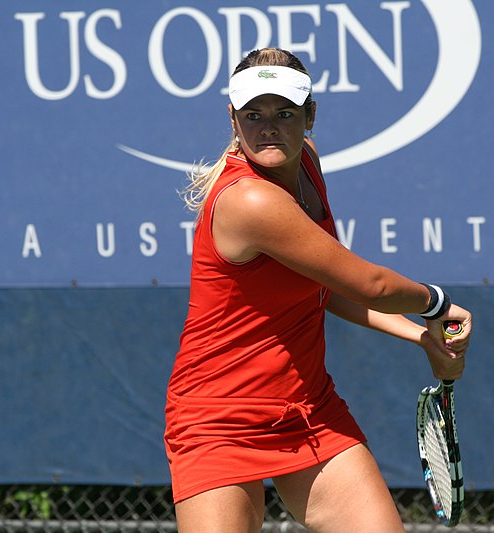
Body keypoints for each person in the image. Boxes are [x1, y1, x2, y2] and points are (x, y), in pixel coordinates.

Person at [164, 48, 472, 533]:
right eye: (254, 114)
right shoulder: (250, 199)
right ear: (233, 118)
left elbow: (326, 289)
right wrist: (436, 303)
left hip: (309, 411)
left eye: (285, 112)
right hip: (218, 422)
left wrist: (421, 336)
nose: (269, 126)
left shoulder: (306, 163)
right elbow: (369, 284)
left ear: (310, 115)